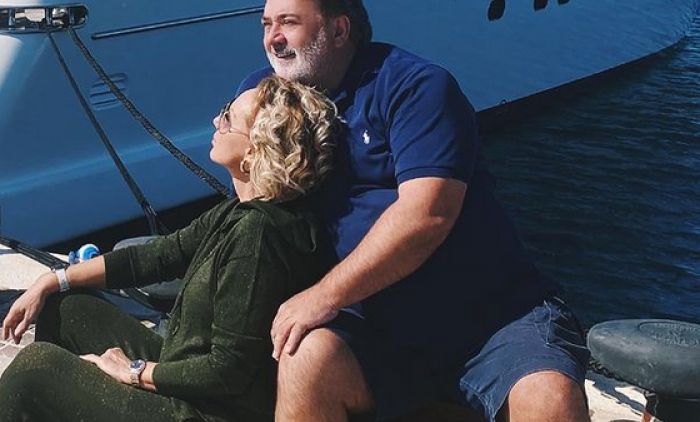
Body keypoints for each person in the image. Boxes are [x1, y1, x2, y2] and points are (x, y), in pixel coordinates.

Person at [237, 1, 591, 421]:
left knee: (549, 398)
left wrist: (323, 296)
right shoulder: (264, 96)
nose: (273, 38)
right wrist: (236, 155)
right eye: (267, 25)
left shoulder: (413, 86)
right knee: (305, 357)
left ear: (339, 30)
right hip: (375, 327)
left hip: (490, 318)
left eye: (288, 23)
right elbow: (261, 213)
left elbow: (428, 214)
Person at [0, 75, 339, 422]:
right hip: (184, 376)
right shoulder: (239, 212)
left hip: (202, 411)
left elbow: (228, 371)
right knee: (66, 307)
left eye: (228, 118)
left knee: (34, 370)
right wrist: (54, 280)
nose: (216, 121)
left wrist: (132, 371)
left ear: (253, 153)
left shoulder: (258, 239)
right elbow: (159, 256)